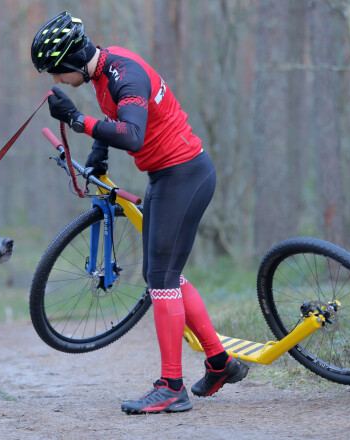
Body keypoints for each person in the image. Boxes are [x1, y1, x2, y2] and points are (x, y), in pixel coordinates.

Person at [31, 11, 249, 415]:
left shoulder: (124, 76)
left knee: (160, 280)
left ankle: (171, 386)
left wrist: (77, 122)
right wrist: (97, 156)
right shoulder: (103, 72)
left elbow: (130, 133)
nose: (57, 81)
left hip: (184, 175)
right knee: (167, 276)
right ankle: (220, 363)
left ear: (73, 61)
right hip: (168, 176)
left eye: (57, 73)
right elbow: (117, 122)